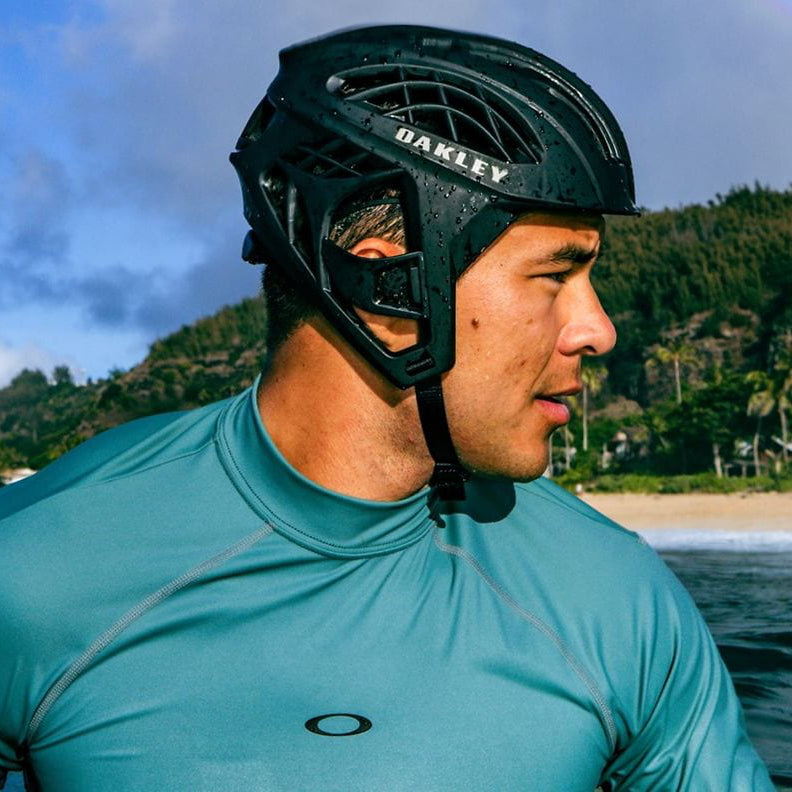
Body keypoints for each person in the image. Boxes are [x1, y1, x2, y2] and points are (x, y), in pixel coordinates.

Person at [0, 24, 774, 792]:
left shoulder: (619, 601)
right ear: (390, 289)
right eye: (554, 276)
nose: (597, 329)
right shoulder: (33, 570)